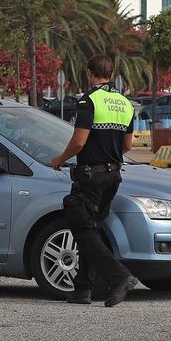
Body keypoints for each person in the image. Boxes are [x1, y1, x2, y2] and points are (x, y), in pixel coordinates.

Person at [49, 53, 137, 306]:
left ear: (90, 73)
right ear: (111, 74)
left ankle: (120, 277)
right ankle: (83, 289)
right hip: (113, 175)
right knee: (92, 229)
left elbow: (79, 141)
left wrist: (59, 158)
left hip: (92, 176)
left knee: (82, 228)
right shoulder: (125, 104)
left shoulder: (89, 100)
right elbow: (128, 146)